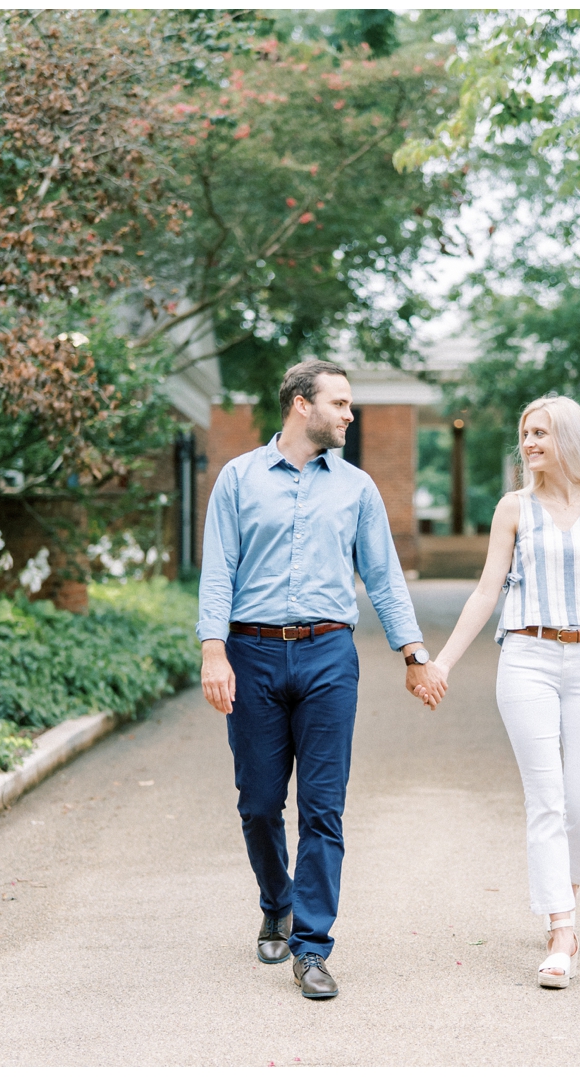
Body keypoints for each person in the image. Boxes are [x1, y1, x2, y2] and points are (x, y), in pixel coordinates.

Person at [196, 359, 445, 1000]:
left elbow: (384, 576)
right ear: (302, 405)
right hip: (251, 655)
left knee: (322, 809)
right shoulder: (239, 479)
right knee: (257, 803)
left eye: (351, 404)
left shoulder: (357, 488)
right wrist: (213, 652)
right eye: (340, 403)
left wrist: (414, 654)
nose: (349, 414)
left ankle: (311, 946)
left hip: (329, 657)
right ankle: (275, 900)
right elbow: (218, 571)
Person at [417, 394, 580, 989]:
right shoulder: (514, 510)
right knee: (546, 799)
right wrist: (443, 663)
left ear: (568, 438)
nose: (530, 443)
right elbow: (486, 592)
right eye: (526, 433)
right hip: (528, 660)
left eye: (541, 433)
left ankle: (563, 892)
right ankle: (562, 928)